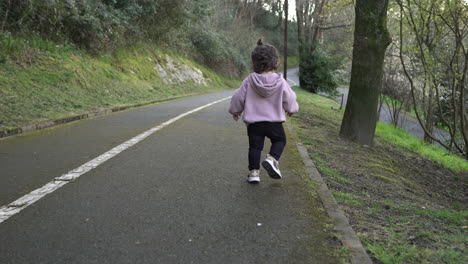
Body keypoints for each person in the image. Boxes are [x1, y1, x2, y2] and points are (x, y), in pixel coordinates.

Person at [229, 39, 299, 184]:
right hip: (274, 122)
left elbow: (238, 97)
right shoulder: (280, 81)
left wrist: (235, 111)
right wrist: (291, 109)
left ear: (254, 62)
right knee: (280, 140)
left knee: (255, 147)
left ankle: (254, 173)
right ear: (276, 62)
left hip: (254, 124)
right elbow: (290, 97)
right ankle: (272, 158)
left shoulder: (249, 80)